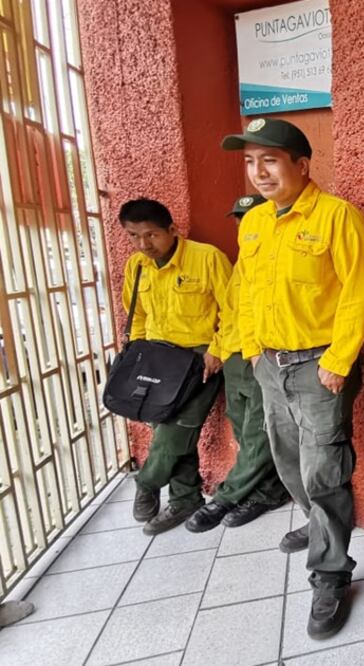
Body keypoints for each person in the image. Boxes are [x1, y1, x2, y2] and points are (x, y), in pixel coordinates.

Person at [221, 119, 364, 639]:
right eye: (250, 162)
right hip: (270, 363)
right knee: (288, 458)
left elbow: (360, 293)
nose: (259, 172)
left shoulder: (337, 217)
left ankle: (330, 572)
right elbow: (245, 289)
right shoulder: (254, 223)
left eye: (269, 160)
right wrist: (251, 348)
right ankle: (318, 525)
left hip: (319, 365)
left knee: (323, 469)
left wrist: (339, 359)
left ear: (302, 165)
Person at [121, 198, 231, 535]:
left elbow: (234, 309)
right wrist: (137, 356)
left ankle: (147, 481)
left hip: (199, 358)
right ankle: (185, 499)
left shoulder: (207, 258)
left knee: (178, 428)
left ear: (172, 229)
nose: (143, 244)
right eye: (133, 236)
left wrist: (217, 350)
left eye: (151, 235)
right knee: (167, 429)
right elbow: (137, 315)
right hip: (157, 359)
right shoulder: (137, 266)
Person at [185, 193, 291, 532]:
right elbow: (230, 314)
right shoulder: (242, 264)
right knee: (244, 425)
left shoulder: (277, 262)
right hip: (233, 355)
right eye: (239, 220)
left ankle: (227, 496)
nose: (245, 226)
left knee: (260, 430)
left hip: (259, 356)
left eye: (251, 218)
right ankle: (268, 491)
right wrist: (217, 349)